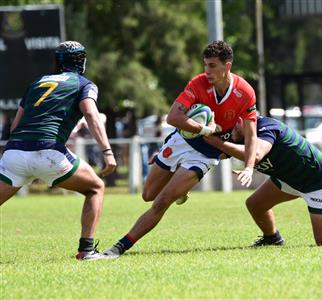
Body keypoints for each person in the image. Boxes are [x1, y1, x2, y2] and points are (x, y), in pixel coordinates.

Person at [102, 40, 257, 259]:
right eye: (205, 65)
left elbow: (251, 135)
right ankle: (180, 187)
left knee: (161, 202)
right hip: (181, 141)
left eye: (212, 65)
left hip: (206, 154)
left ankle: (118, 248)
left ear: (227, 66)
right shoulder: (198, 83)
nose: (207, 71)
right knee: (148, 194)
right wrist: (205, 128)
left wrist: (249, 167)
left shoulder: (245, 92)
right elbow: (173, 117)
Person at [0, 41, 117, 260]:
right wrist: (107, 153)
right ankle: (87, 250)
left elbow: (15, 126)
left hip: (14, 152)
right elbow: (91, 114)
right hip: (49, 152)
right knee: (95, 188)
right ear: (81, 62)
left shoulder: (36, 83)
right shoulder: (84, 84)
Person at [204, 116, 322, 246]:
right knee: (255, 204)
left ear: (241, 120)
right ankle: (272, 239)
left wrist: (216, 142)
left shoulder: (265, 126)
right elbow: (215, 155)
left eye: (230, 126)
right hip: (288, 179)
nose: (227, 132)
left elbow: (257, 153)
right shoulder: (238, 136)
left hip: (317, 180)